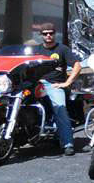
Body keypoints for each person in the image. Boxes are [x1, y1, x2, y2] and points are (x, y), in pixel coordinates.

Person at [32, 22, 81, 156]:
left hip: (53, 85)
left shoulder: (62, 49)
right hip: (36, 84)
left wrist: (67, 83)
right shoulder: (36, 50)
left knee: (60, 107)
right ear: (41, 35)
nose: (48, 35)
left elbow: (77, 66)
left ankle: (68, 143)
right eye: (45, 33)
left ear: (54, 34)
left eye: (51, 33)